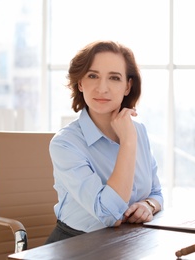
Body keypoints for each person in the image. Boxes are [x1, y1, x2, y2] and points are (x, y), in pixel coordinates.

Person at [46, 40, 163, 243]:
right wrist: (127, 142)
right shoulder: (65, 144)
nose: (102, 88)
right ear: (80, 83)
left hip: (128, 241)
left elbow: (156, 193)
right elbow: (109, 214)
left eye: (114, 78)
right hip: (76, 245)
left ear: (128, 86)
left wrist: (148, 206)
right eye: (93, 76)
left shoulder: (138, 131)